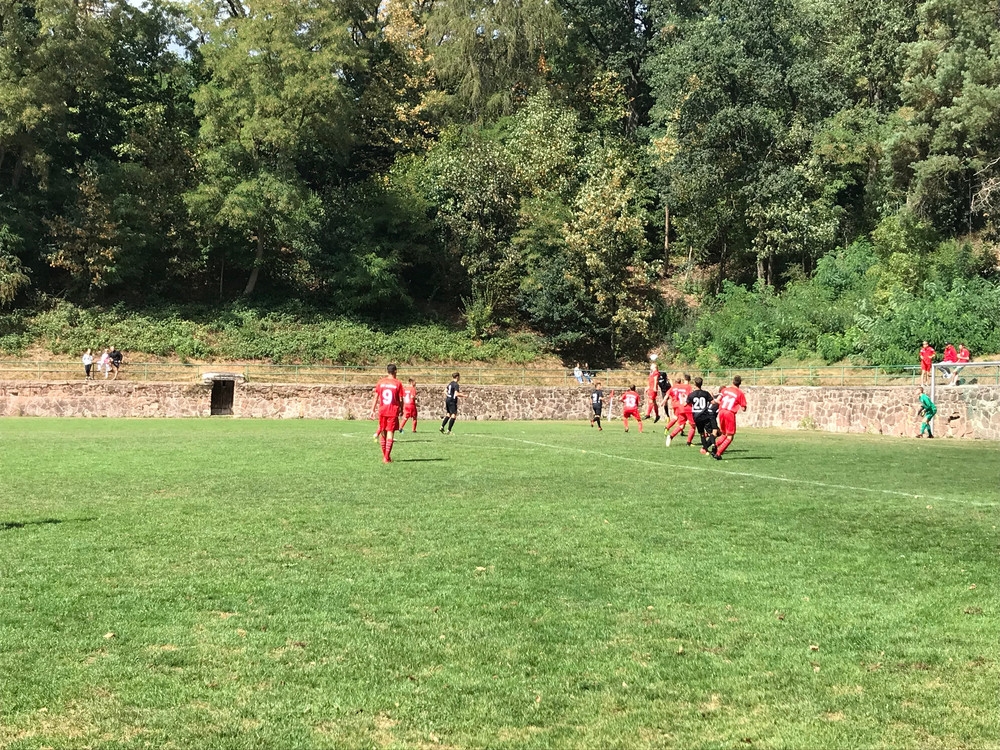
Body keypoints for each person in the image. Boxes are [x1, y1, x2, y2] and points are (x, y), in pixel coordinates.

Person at [370, 364, 404, 462]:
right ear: (395, 371)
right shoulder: (398, 383)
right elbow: (401, 399)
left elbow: (376, 397)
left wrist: (372, 410)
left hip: (382, 410)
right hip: (392, 411)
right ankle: (386, 457)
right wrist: (401, 409)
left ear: (387, 371)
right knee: (390, 432)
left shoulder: (381, 382)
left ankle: (385, 456)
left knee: (383, 433)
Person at [713, 375, 748, 460]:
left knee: (724, 433)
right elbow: (743, 408)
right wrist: (743, 406)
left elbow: (718, 400)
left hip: (721, 411)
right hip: (729, 413)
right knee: (730, 437)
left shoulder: (725, 390)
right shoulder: (740, 393)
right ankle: (718, 453)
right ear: (740, 383)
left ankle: (715, 445)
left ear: (732, 381)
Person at [686, 377, 718, 454]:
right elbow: (713, 402)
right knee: (711, 432)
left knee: (702, 434)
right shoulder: (706, 393)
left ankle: (705, 450)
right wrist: (714, 398)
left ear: (695, 384)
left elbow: (685, 404)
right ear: (701, 384)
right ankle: (713, 444)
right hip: (705, 415)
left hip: (696, 416)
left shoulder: (691, 395)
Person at [666, 373, 694, 445]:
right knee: (693, 426)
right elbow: (690, 397)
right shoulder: (689, 387)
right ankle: (689, 442)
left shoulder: (679, 386)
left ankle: (671, 436)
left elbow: (674, 391)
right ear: (690, 380)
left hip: (680, 408)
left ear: (683, 379)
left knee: (681, 425)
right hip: (688, 408)